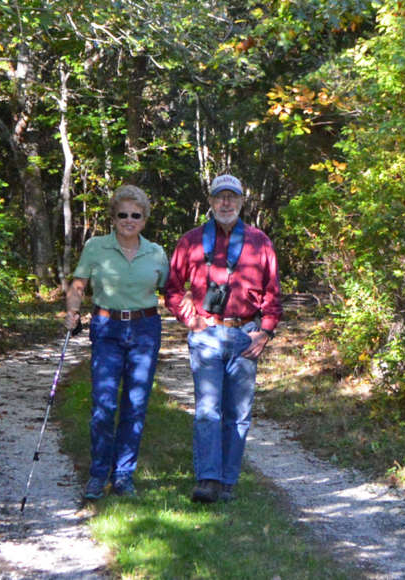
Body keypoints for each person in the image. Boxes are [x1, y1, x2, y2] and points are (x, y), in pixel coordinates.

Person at [164, 174, 282, 503]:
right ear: (211, 202)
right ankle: (208, 479)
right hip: (207, 334)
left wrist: (266, 331)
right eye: (220, 197)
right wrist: (190, 319)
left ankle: (228, 479)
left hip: (245, 334)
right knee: (207, 410)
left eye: (232, 197)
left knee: (238, 413)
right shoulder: (191, 240)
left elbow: (273, 293)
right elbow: (172, 288)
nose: (226, 203)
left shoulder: (260, 241)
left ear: (242, 202)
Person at [64, 184, 169, 499]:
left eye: (135, 215)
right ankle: (98, 474)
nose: (128, 220)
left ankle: (123, 476)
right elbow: (79, 284)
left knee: (135, 404)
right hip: (107, 326)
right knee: (105, 403)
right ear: (113, 217)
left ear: (144, 219)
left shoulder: (157, 252)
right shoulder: (96, 247)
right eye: (122, 214)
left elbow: (172, 290)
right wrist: (72, 312)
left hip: (145, 329)